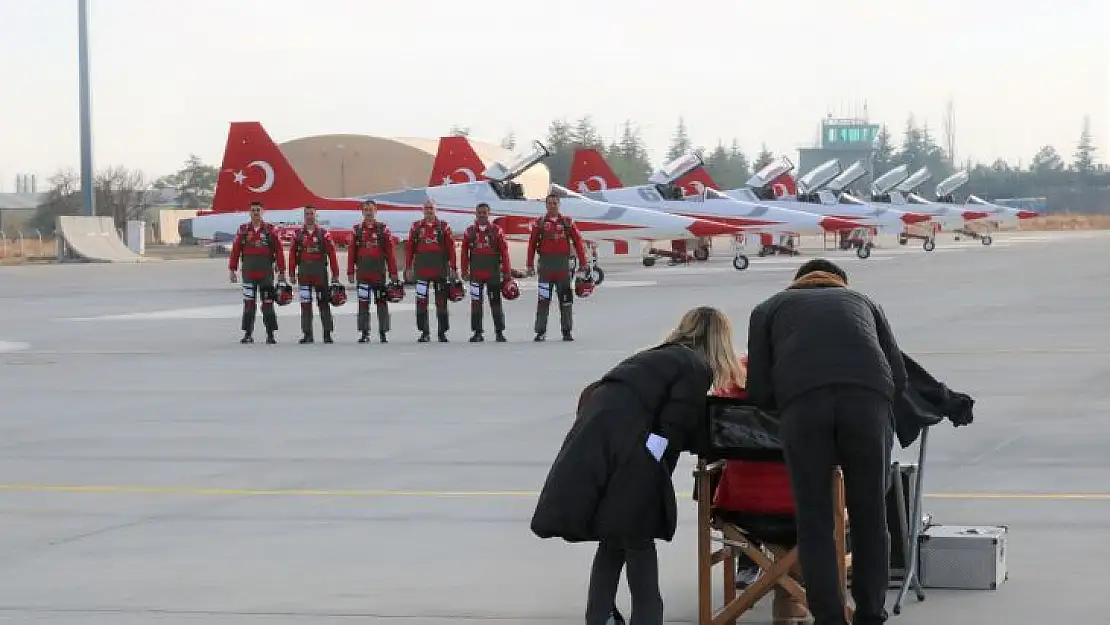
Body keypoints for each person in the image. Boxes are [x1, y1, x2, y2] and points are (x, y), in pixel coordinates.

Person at [531, 306, 742, 625]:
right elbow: (673, 427)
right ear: (717, 340)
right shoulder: (695, 367)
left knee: (614, 541)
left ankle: (599, 616)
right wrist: (650, 465)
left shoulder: (654, 357)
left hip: (595, 443)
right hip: (632, 452)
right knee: (638, 540)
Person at [746, 258, 907, 625]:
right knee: (870, 515)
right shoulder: (864, 302)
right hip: (868, 402)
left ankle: (830, 618)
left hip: (804, 407)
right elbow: (898, 375)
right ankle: (870, 614)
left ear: (797, 283)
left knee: (815, 521)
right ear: (840, 282)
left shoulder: (767, 308)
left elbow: (758, 390)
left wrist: (792, 408)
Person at [525, 193, 589, 342]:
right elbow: (532, 244)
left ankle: (566, 331)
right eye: (549, 203)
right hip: (546, 268)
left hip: (563, 268)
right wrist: (529, 264)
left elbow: (578, 242)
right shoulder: (539, 223)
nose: (552, 205)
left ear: (559, 205)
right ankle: (540, 332)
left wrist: (583, 263)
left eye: (555, 203)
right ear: (546, 205)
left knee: (566, 300)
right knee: (543, 300)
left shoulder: (567, 222)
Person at [228, 201, 286, 344]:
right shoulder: (243, 230)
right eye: (253, 210)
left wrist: (282, 271)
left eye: (258, 210)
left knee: (268, 304)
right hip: (248, 274)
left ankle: (270, 335)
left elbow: (278, 251)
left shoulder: (270, 230)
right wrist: (232, 269)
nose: (255, 212)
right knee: (249, 305)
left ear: (263, 212)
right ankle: (248, 334)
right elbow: (235, 250)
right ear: (249, 212)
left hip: (266, 275)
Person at [405, 199, 457, 342]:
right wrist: (408, 267)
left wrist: (453, 267)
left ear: (435, 210)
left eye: (431, 208)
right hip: (422, 271)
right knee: (421, 302)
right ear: (423, 210)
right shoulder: (416, 227)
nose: (429, 211)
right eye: (427, 208)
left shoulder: (444, 227)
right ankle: (424, 332)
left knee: (441, 303)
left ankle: (442, 332)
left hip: (440, 270)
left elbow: (451, 248)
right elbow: (410, 249)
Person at [347, 200, 399, 343]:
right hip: (363, 274)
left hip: (378, 274)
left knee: (381, 303)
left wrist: (393, 272)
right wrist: (350, 271)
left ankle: (383, 333)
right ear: (362, 212)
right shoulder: (356, 230)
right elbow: (351, 252)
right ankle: (365, 333)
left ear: (376, 211)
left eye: (371, 210)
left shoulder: (383, 229)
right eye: (366, 210)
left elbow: (390, 253)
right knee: (363, 303)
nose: (368, 212)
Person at [287, 205, 341, 344]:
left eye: (312, 213)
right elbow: (292, 254)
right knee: (305, 305)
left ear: (316, 216)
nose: (309, 216)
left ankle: (327, 334)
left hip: (320, 275)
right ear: (304, 216)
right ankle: (307, 334)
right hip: (304, 275)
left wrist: (335, 273)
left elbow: (332, 254)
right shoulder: (298, 234)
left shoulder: (323, 234)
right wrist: (291, 272)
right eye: (307, 214)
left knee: (323, 304)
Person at [460, 202, 512, 343]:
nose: (482, 215)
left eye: (485, 212)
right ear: (476, 214)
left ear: (489, 214)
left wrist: (507, 273)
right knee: (476, 303)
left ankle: (499, 332)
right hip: (476, 275)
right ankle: (477, 332)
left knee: (496, 302)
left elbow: (504, 252)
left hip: (493, 274)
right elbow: (464, 253)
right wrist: (464, 271)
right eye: (480, 212)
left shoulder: (497, 231)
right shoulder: (469, 231)